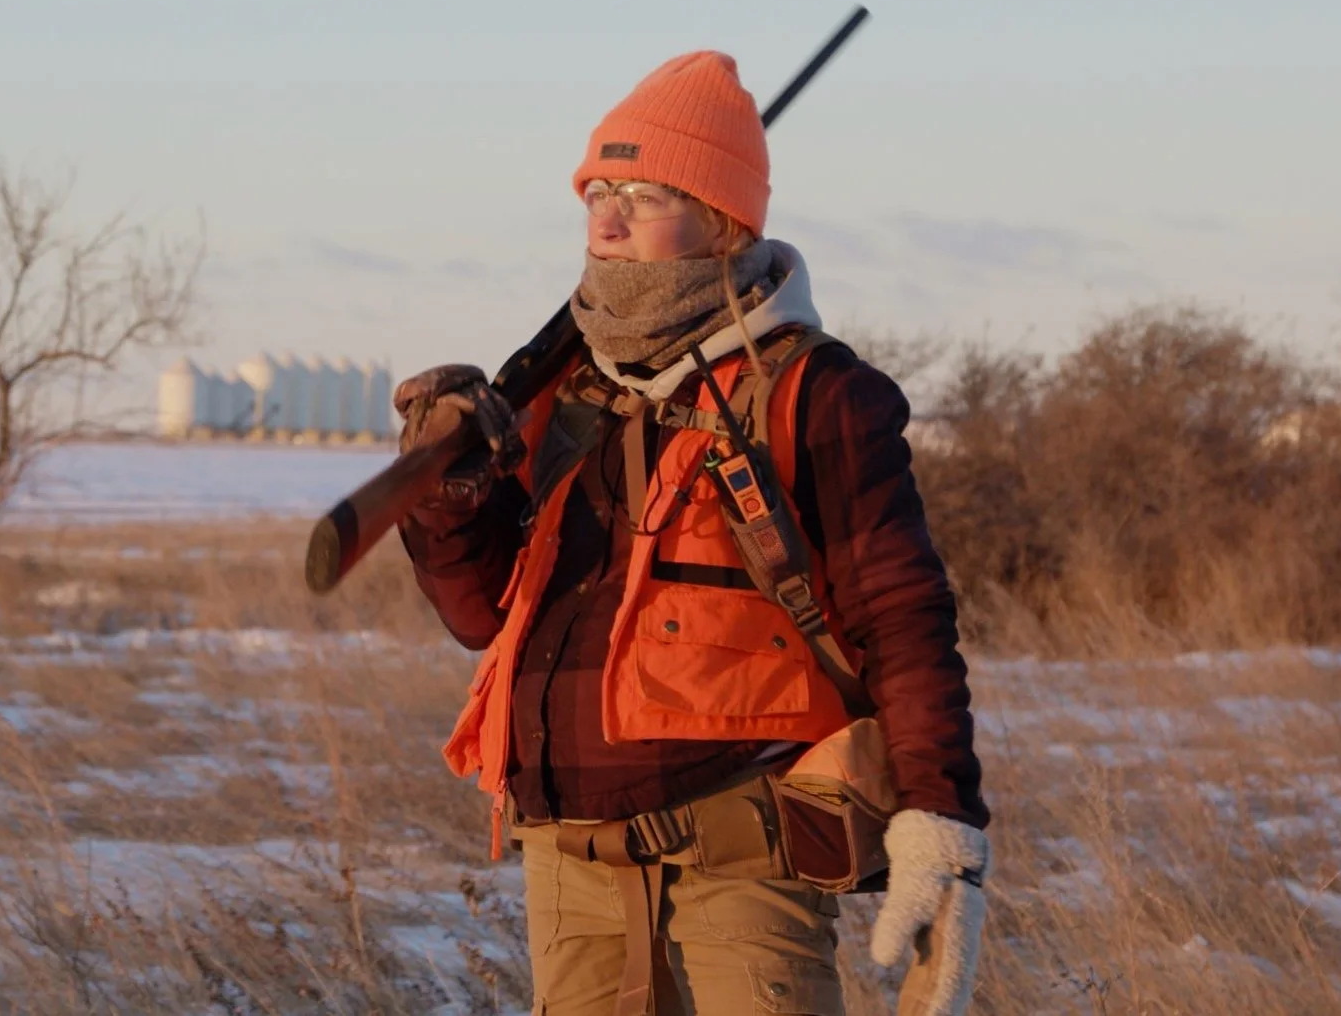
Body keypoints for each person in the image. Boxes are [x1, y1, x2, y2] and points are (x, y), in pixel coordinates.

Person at [393, 51, 990, 1016]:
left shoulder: (813, 391)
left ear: (723, 222)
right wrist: (450, 497)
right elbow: (482, 616)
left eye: (647, 194)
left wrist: (939, 815)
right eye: (598, 192)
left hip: (740, 865)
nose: (608, 218)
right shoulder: (568, 392)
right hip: (569, 867)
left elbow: (901, 613)